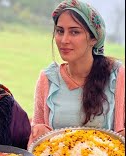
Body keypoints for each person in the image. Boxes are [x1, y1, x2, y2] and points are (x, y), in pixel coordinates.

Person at [28, 0, 125, 147]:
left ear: (94, 38)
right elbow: (37, 141)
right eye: (60, 31)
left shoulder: (117, 76)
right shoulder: (48, 79)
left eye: (74, 32)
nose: (64, 40)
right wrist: (37, 131)